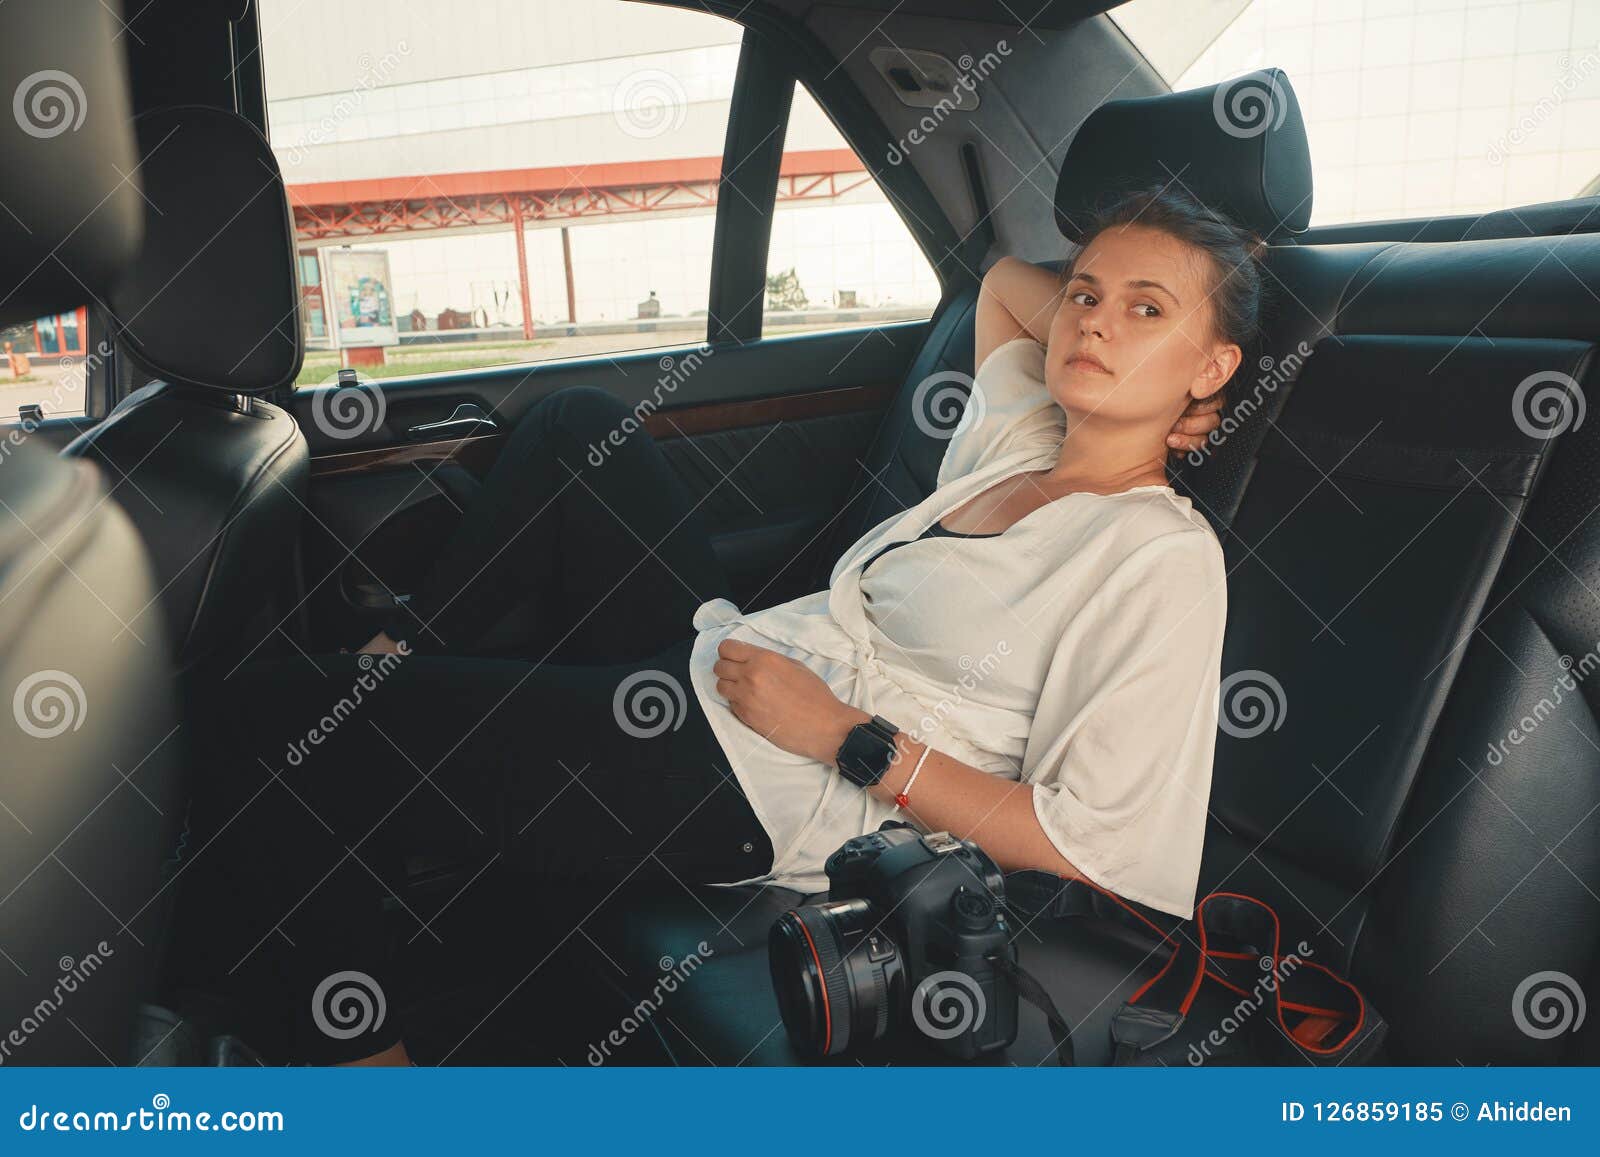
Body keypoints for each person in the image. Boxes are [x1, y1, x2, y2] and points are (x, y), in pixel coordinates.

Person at [169, 183, 1259, 1065]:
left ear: (1215, 368)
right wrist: (1125, 273)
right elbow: (1010, 286)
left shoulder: (1159, 554)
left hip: (787, 780)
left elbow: (1096, 847)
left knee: (271, 725)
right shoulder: (1027, 440)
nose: (1093, 322)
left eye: (1147, 310)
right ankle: (405, 662)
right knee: (576, 430)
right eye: (1088, 295)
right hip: (736, 667)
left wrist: (846, 734)